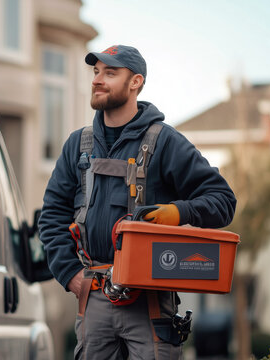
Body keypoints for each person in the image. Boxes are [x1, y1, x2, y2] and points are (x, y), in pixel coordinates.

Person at [38, 45, 236, 360]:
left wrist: (178, 212)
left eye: (110, 73)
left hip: (151, 304)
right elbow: (52, 216)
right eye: (96, 72)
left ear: (135, 82)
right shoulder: (78, 145)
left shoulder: (165, 142)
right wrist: (70, 275)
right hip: (94, 297)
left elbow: (223, 200)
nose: (98, 80)